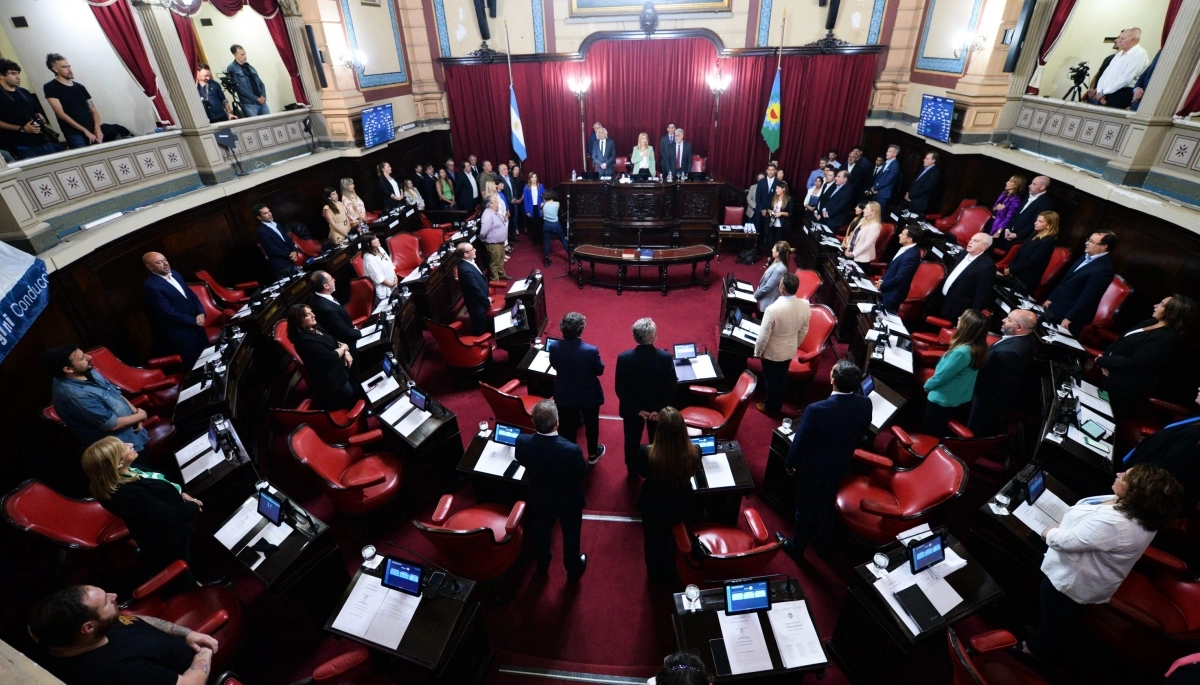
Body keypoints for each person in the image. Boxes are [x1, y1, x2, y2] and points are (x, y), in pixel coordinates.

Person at [1014, 464, 1183, 662]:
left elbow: (1065, 542)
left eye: (1125, 477)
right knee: (1054, 614)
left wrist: (1047, 532)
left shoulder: (1116, 524)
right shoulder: (1143, 512)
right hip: (1086, 566)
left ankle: (1034, 650)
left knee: (1054, 619)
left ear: (1136, 494)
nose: (1119, 474)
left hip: (1071, 581)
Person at [28, 584, 218, 685]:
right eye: (106, 601)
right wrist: (204, 653)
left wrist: (187, 634)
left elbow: (132, 620)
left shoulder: (90, 630)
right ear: (88, 628)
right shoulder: (119, 671)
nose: (114, 596)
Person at [82, 436, 203, 591]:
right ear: (118, 463)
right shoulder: (127, 493)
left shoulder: (129, 470)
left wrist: (181, 494)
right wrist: (193, 506)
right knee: (183, 573)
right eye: (124, 447)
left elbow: (161, 483)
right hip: (168, 539)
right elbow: (166, 517)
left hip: (175, 519)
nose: (130, 444)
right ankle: (197, 590)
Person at [782, 360, 872, 559]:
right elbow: (861, 433)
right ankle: (823, 545)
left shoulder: (816, 409)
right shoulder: (865, 403)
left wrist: (790, 463)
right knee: (827, 504)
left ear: (832, 379)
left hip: (812, 468)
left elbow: (800, 441)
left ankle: (797, 547)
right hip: (841, 465)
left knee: (804, 509)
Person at [515, 399, 590, 580]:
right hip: (568, 501)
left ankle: (542, 565)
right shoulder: (572, 450)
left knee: (541, 533)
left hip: (540, 498)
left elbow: (521, 459)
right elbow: (583, 472)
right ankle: (573, 568)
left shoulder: (522, 442)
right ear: (557, 422)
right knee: (571, 535)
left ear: (534, 422)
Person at [1095, 295, 1194, 423]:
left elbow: (1136, 361)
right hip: (1111, 374)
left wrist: (1103, 361)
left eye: (1162, 304)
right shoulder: (1151, 322)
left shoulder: (1167, 338)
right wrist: (1105, 356)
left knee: (1101, 419)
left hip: (1124, 387)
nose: (1155, 305)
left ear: (1173, 312)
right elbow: (1121, 340)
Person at [635, 407, 700, 583]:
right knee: (675, 541)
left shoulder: (646, 452)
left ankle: (654, 573)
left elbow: (642, 473)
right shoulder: (695, 451)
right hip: (681, 504)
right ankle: (674, 570)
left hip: (653, 506)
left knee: (652, 541)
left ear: (660, 430)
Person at [44, 345, 148, 452]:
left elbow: (114, 393)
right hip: (121, 449)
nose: (89, 357)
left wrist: (135, 413)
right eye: (82, 358)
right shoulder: (76, 396)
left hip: (134, 434)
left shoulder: (84, 371)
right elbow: (111, 425)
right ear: (68, 369)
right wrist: (141, 415)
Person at [616, 318, 677, 476]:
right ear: (651, 337)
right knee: (658, 440)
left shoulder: (624, 358)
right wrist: (659, 409)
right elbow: (671, 386)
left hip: (632, 410)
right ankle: (657, 470)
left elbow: (620, 389)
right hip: (657, 411)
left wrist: (637, 410)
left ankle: (632, 471)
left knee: (631, 440)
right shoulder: (664, 357)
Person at [1123, 387, 1200, 510]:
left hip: (1140, 495)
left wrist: (1124, 484)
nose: (1198, 387)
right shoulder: (1196, 420)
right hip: (1135, 476)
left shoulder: (1194, 437)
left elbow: (1163, 475)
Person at [967, 309, 1037, 436]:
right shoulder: (1028, 339)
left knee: (974, 429)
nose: (1003, 320)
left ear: (1020, 328)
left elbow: (984, 374)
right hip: (998, 393)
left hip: (986, 397)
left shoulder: (1009, 352)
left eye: (1009, 320)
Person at [549, 312, 605, 463]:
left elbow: (554, 365)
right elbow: (599, 370)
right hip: (588, 395)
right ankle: (592, 454)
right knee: (591, 425)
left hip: (564, 393)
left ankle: (571, 456)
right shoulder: (590, 350)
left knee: (567, 428)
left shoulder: (554, 347)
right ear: (581, 329)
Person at [923, 309, 989, 436]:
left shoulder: (961, 352)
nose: (958, 318)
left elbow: (941, 377)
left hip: (942, 399)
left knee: (930, 433)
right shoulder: (980, 347)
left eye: (962, 317)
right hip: (958, 398)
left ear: (967, 326)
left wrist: (926, 386)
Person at [755, 273, 811, 416]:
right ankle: (778, 406)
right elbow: (804, 330)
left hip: (772, 353)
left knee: (771, 380)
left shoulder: (772, 310)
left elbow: (763, 336)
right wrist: (795, 344)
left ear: (781, 288)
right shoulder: (805, 305)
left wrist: (758, 352)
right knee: (782, 378)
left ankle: (769, 407)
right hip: (789, 350)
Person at [141, 252, 207, 369]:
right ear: (150, 267)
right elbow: (168, 312)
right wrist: (194, 321)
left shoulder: (175, 273)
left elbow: (191, 295)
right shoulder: (151, 286)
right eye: (159, 262)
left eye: (165, 259)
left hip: (198, 327)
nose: (165, 263)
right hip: (182, 334)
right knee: (196, 367)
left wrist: (201, 313)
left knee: (209, 356)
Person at [1044, 231, 1117, 335]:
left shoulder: (1104, 269)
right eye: (1088, 240)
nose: (1086, 243)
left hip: (1069, 316)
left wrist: (1070, 317)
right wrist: (1051, 298)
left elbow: (1089, 297)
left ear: (1104, 246)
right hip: (1057, 306)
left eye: (1091, 242)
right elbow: (1066, 280)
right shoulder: (1087, 256)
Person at [286, 304, 356, 410]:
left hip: (341, 369)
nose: (313, 315)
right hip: (333, 381)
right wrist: (344, 347)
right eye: (308, 315)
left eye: (311, 312)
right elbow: (330, 357)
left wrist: (346, 352)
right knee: (350, 397)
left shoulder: (314, 328)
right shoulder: (304, 341)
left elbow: (334, 341)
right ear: (298, 320)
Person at [43, 54, 112, 149]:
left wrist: (97, 128)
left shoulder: (80, 87)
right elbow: (60, 113)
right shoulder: (50, 87)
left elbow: (93, 110)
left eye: (69, 66)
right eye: (64, 67)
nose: (69, 70)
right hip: (74, 133)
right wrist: (84, 131)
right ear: (55, 69)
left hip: (92, 129)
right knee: (84, 157)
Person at [0, 59, 62, 160]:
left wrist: (41, 121)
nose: (18, 77)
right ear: (1, 75)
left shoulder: (24, 92)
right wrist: (22, 128)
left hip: (43, 141)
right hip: (21, 145)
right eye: (13, 73)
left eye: (18, 73)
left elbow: (37, 113)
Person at [1085, 28, 1149, 109]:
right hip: (1104, 94)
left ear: (1132, 40)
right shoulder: (1120, 53)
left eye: (1123, 38)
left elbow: (1126, 79)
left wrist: (1103, 92)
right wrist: (1099, 91)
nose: (1119, 41)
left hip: (1120, 94)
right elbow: (1105, 74)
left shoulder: (1139, 54)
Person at [938, 232, 995, 321]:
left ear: (984, 246)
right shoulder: (964, 253)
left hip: (957, 310)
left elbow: (981, 295)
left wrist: (970, 318)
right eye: (971, 239)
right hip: (941, 300)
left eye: (975, 241)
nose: (970, 242)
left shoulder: (987, 266)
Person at [1003, 210, 1059, 293]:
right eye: (1036, 220)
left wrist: (1012, 270)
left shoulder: (1048, 241)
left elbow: (1032, 262)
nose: (1035, 223)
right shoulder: (1035, 234)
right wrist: (1010, 268)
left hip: (1025, 279)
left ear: (1049, 225)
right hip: (1015, 273)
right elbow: (1020, 252)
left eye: (1040, 221)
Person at [307, 271, 361, 347]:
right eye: (331, 279)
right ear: (326, 286)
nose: (334, 280)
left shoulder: (315, 297)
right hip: (348, 344)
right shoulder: (326, 309)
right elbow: (345, 333)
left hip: (349, 332)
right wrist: (360, 333)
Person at [998, 176, 1052, 249]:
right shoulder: (1028, 196)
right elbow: (1016, 214)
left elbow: (1035, 224)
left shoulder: (1046, 203)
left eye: (1034, 184)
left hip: (1020, 239)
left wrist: (1017, 235)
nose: (1029, 186)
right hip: (1008, 233)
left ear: (1042, 187)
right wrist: (1007, 229)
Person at [878, 224, 923, 312]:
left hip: (892, 295)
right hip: (887, 290)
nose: (899, 235)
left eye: (902, 234)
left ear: (909, 239)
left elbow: (899, 278)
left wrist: (883, 285)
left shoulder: (911, 256)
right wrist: (882, 281)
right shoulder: (906, 249)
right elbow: (892, 269)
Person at [255, 204, 300, 279]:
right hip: (281, 265)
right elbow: (272, 249)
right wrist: (290, 255)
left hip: (291, 261)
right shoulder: (262, 231)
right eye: (265, 213)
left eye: (269, 211)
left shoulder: (277, 224)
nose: (269, 214)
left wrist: (294, 251)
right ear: (259, 217)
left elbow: (288, 239)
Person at [455, 243, 490, 336]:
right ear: (466, 254)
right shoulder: (465, 269)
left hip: (481, 300)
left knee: (483, 323)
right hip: (477, 304)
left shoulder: (469, 262)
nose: (475, 250)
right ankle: (480, 342)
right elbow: (475, 289)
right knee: (479, 328)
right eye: (472, 249)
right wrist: (487, 301)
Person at [226, 45, 269, 116]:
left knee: (269, 121)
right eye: (242, 55)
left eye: (245, 54)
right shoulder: (232, 68)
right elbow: (239, 88)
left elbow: (261, 83)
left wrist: (263, 96)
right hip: (249, 104)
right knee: (256, 123)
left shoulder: (250, 67)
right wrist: (256, 99)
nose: (245, 56)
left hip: (262, 102)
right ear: (235, 56)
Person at [754, 241, 792, 313]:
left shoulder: (780, 269)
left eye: (773, 248)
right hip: (764, 296)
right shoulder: (776, 261)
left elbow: (769, 287)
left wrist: (756, 295)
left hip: (769, 301)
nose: (772, 249)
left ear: (777, 253)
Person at [844, 200, 882, 270]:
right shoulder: (863, 219)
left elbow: (866, 245)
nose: (863, 210)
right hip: (851, 253)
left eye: (866, 209)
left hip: (861, 259)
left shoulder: (875, 226)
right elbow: (854, 235)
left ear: (873, 212)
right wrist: (848, 248)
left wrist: (853, 253)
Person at [360, 233, 396, 304]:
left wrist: (395, 277)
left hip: (393, 284)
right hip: (383, 291)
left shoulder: (380, 249)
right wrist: (390, 284)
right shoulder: (368, 258)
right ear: (368, 244)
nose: (378, 239)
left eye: (376, 237)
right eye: (374, 239)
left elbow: (390, 263)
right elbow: (377, 277)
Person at [480, 194, 509, 280]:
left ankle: (501, 274)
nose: (498, 203)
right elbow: (483, 231)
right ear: (490, 204)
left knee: (500, 260)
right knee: (494, 263)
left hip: (500, 242)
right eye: (495, 201)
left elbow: (502, 220)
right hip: (494, 243)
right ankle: (495, 281)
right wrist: (482, 239)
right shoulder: (487, 215)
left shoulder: (494, 212)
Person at [541, 189, 570, 267]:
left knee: (547, 243)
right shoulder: (557, 203)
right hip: (555, 224)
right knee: (563, 240)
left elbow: (542, 213)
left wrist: (543, 204)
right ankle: (571, 257)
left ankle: (546, 260)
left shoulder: (543, 204)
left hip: (546, 225)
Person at [866, 144, 900, 210]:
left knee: (880, 212)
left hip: (883, 194)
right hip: (876, 191)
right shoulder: (886, 162)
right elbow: (879, 176)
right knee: (872, 211)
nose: (886, 153)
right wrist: (874, 187)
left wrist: (875, 187)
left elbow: (888, 180)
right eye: (887, 151)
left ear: (895, 154)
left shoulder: (895, 165)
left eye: (890, 152)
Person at [764, 181, 793, 250]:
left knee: (778, 243)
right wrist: (770, 211)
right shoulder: (773, 198)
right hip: (771, 223)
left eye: (778, 188)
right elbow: (768, 208)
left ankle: (778, 256)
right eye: (776, 188)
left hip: (781, 225)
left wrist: (781, 213)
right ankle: (769, 256)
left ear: (783, 189)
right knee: (769, 242)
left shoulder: (789, 200)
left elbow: (790, 213)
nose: (776, 190)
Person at [523, 172, 546, 255]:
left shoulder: (541, 186)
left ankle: (540, 239)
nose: (534, 179)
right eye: (532, 177)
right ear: (530, 178)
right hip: (531, 208)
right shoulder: (526, 188)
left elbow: (544, 196)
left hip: (539, 208)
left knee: (540, 223)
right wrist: (527, 211)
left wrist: (543, 203)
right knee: (533, 224)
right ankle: (534, 240)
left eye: (535, 177)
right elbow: (526, 200)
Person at [755, 163, 779, 234]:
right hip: (760, 211)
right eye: (769, 170)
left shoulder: (778, 183)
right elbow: (757, 197)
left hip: (772, 211)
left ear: (775, 171)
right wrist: (762, 209)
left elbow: (778, 198)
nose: (770, 172)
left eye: (772, 170)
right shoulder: (760, 182)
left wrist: (770, 209)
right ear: (766, 171)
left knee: (770, 233)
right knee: (759, 232)